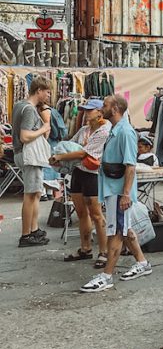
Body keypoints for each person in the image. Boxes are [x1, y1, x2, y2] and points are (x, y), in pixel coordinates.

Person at [80, 95, 152, 293]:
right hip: (114, 189)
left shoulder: (125, 132)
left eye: (105, 105)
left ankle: (106, 275)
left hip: (119, 191)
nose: (101, 108)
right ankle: (142, 263)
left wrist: (126, 194)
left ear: (115, 109)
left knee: (116, 232)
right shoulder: (115, 129)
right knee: (124, 227)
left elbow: (130, 165)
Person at [50, 98, 111, 263]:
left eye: (89, 110)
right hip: (78, 172)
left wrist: (60, 156)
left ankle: (104, 252)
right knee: (81, 212)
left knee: (97, 215)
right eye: (84, 110)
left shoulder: (104, 130)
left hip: (93, 174)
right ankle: (85, 248)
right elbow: (71, 145)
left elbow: (83, 153)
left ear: (99, 112)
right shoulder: (84, 130)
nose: (85, 113)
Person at [11, 76, 52, 247]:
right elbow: (25, 136)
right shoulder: (29, 109)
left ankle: (33, 230)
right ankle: (26, 234)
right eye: (47, 92)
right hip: (30, 155)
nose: (49, 96)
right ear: (39, 91)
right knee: (30, 195)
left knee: (35, 193)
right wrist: (44, 126)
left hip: (22, 154)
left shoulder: (20, 105)